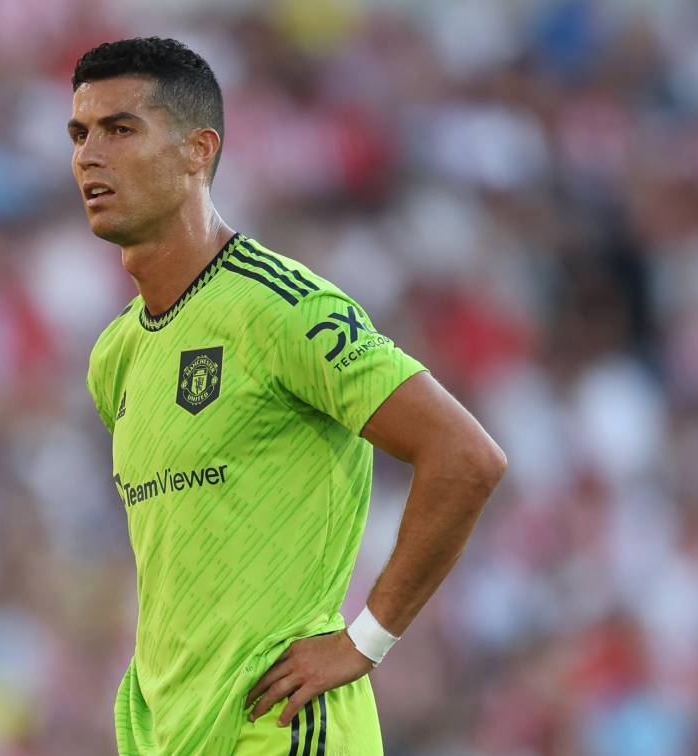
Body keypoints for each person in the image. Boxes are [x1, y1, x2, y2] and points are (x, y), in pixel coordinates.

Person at [72, 37, 507, 755]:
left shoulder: (284, 309)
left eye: (121, 130)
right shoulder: (114, 356)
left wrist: (364, 640)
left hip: (283, 729)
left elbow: (466, 456)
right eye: (80, 134)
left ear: (196, 151)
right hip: (175, 734)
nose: (90, 155)